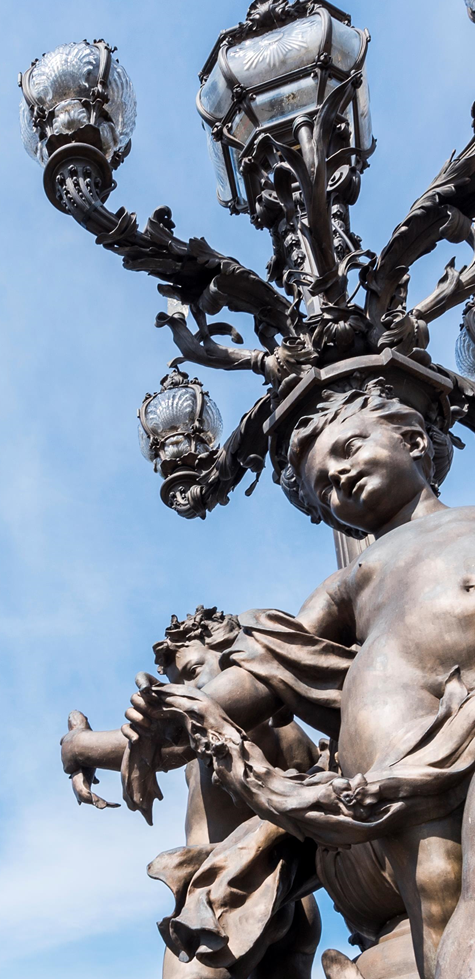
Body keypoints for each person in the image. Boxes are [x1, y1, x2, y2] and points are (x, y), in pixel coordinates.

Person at [113, 379, 475, 979]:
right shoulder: (353, 576)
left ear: (413, 441)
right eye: (325, 486)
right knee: (436, 891)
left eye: (350, 449)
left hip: (465, 717)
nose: (341, 477)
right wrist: (169, 718)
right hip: (390, 758)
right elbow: (272, 665)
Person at [63, 606, 321, 979]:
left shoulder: (219, 719)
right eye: (178, 683)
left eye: (194, 671)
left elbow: (159, 744)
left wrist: (76, 746)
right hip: (295, 902)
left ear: (233, 652)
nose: (188, 690)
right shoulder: (288, 728)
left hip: (222, 897)